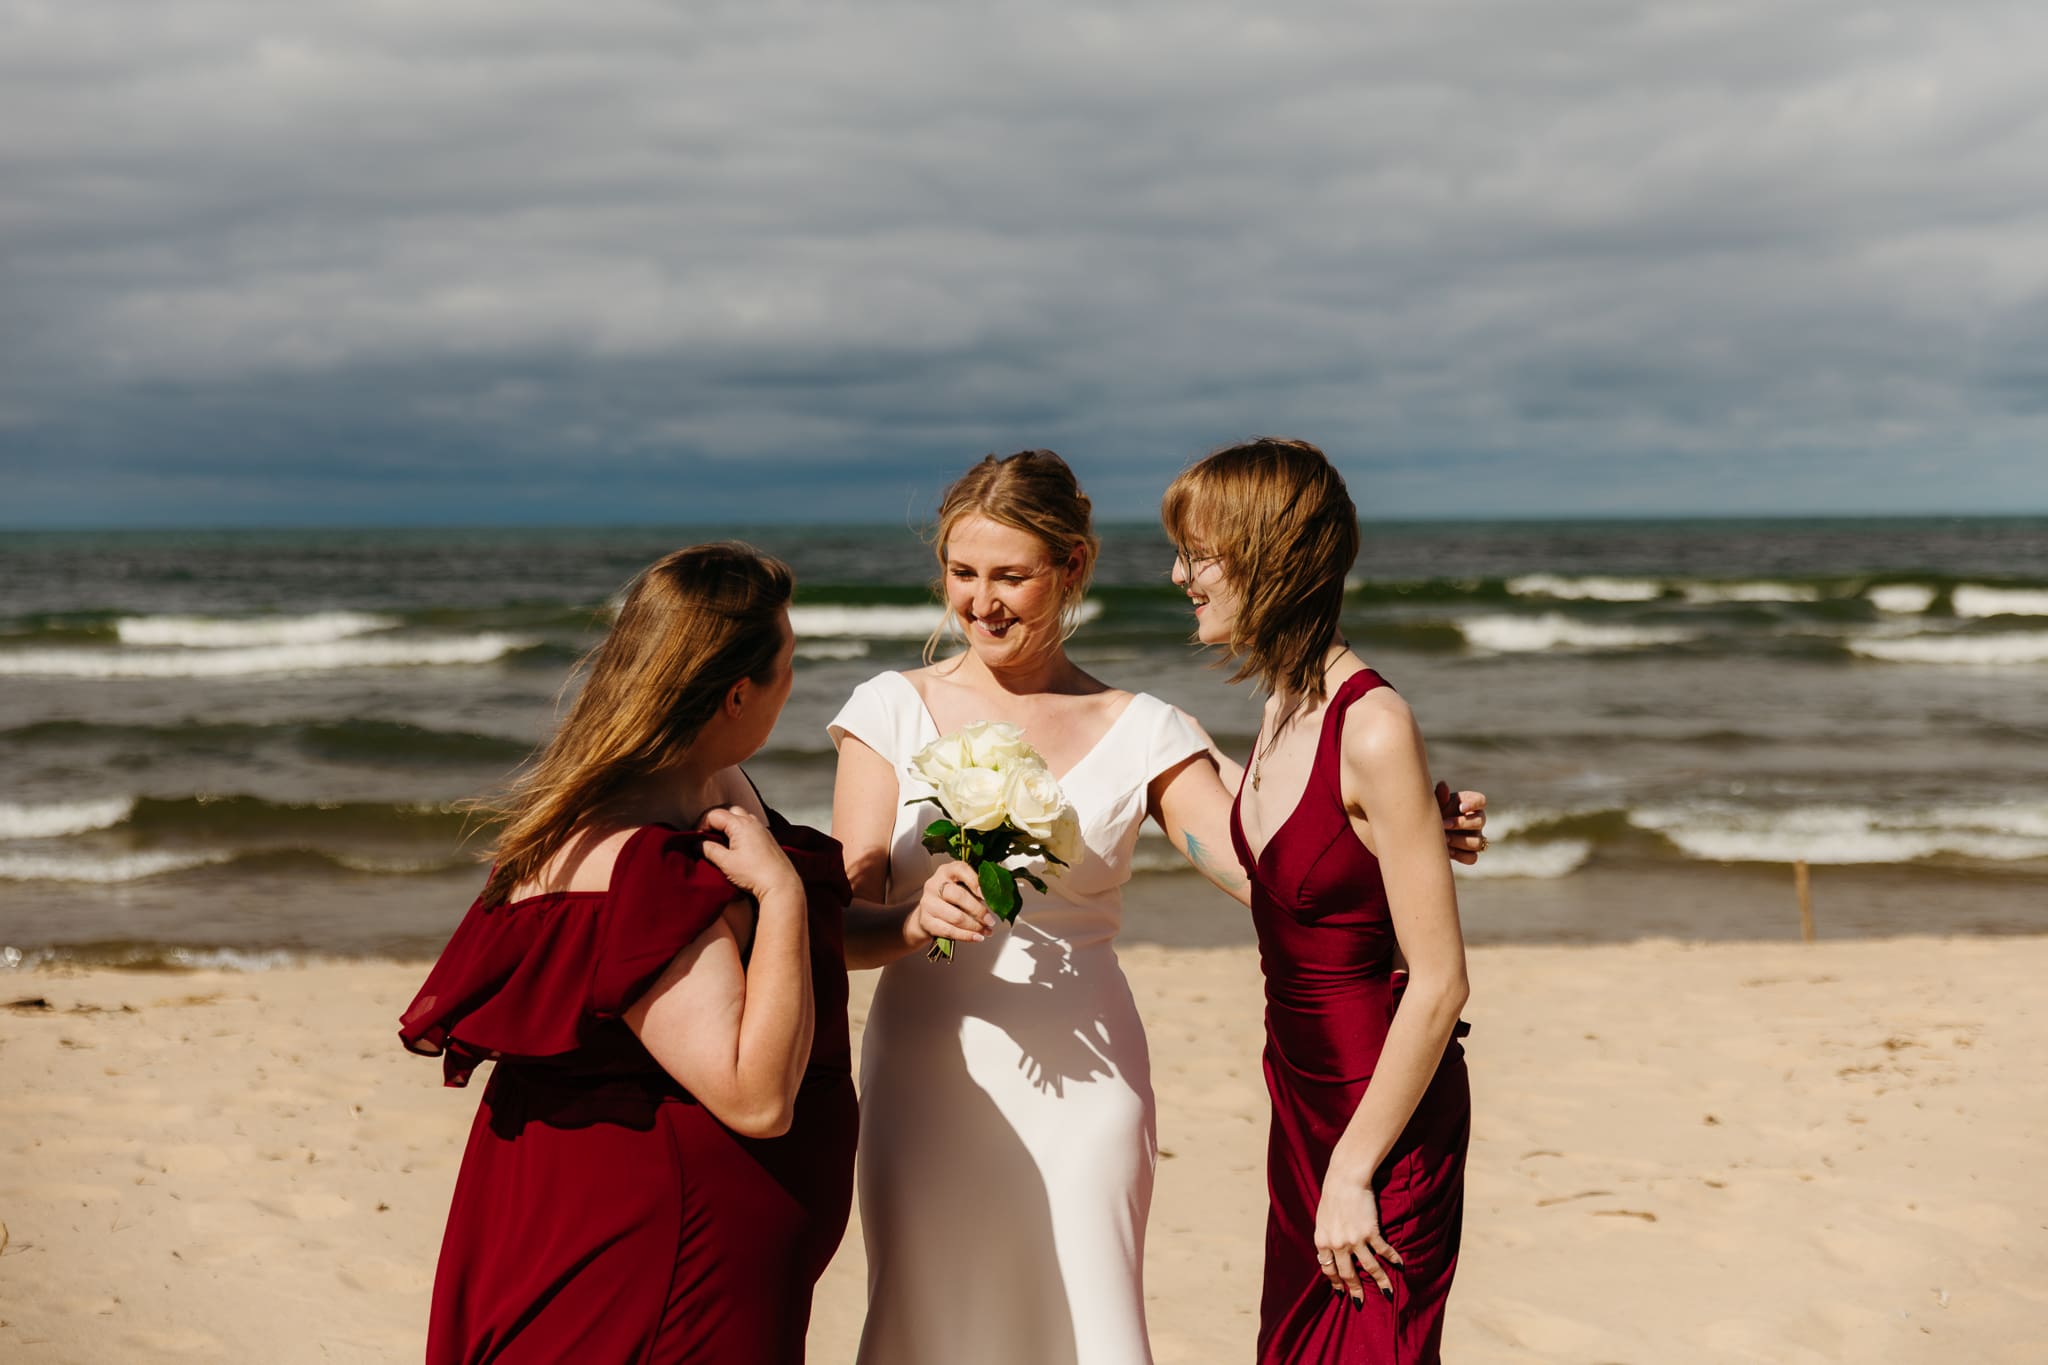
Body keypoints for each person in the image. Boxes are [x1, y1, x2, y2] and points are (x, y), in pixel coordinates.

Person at [826, 451, 1485, 1365]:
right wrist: (908, 921)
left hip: (1089, 1085)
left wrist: (1401, 831)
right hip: (928, 1077)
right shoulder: (888, 711)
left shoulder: (1145, 730)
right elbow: (840, 927)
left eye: (1009, 576)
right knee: (926, 1323)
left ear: (1073, 568)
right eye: (962, 573)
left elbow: (1272, 872)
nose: (981, 602)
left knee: (1088, 1325)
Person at [399, 543, 858, 1365]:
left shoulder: (712, 782)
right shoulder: (634, 858)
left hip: (701, 1251)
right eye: (790, 660)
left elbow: (792, 958)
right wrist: (782, 892)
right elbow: (756, 1099)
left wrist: (910, 921)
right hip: (656, 1261)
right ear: (735, 692)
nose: (795, 682)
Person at [1164, 438, 1473, 1364]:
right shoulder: (1279, 707)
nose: (1181, 574)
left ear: (1270, 555)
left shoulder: (1373, 723)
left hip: (1381, 1123)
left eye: (1200, 551)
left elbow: (1441, 984)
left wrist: (1353, 1168)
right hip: (1300, 1103)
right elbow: (1289, 885)